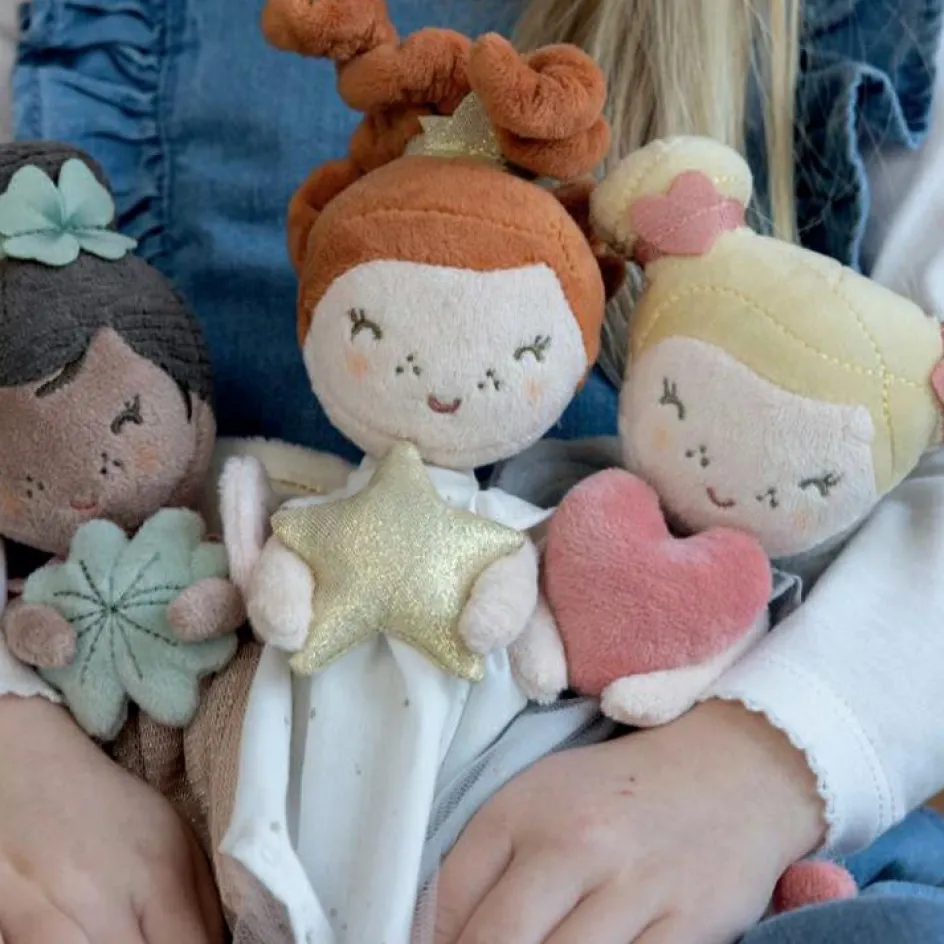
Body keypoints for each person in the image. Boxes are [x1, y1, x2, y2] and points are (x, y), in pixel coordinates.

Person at [0, 1, 941, 943]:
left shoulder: (849, 29)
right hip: (162, 780)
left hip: (684, 809)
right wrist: (19, 743)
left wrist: (761, 761)